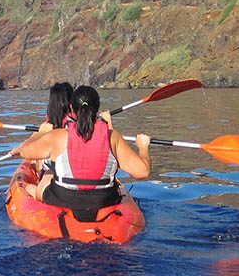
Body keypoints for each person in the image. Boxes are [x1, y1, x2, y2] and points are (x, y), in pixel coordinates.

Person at [12, 85, 151, 221]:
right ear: (97, 108)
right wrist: (143, 147)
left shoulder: (58, 136)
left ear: (72, 108)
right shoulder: (112, 136)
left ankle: (35, 193)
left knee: (47, 176)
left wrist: (40, 132)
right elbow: (142, 172)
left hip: (63, 199)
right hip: (104, 200)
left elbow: (25, 152)